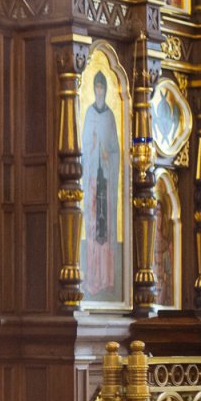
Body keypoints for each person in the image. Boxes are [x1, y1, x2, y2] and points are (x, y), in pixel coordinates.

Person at [82, 71, 120, 300]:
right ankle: (93, 278)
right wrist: (93, 146)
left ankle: (106, 278)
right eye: (96, 87)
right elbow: (84, 146)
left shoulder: (110, 116)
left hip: (105, 178)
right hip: (93, 182)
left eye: (102, 88)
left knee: (104, 231)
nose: (99, 91)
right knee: (93, 225)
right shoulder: (89, 113)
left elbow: (116, 148)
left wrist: (107, 153)